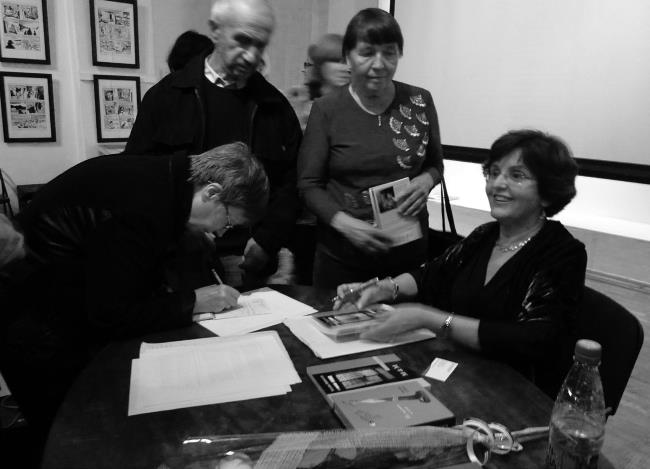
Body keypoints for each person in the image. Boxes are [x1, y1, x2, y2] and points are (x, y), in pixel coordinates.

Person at [0, 142, 269, 436]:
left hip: (51, 303)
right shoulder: (143, 209)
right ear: (212, 193)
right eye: (228, 221)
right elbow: (112, 314)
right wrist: (193, 301)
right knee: (71, 437)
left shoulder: (163, 178)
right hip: (36, 326)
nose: (220, 232)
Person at [335, 129, 586, 398]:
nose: (497, 184)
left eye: (517, 175)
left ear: (548, 193)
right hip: (459, 375)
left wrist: (428, 318)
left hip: (513, 394)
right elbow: (431, 275)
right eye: (493, 172)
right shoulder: (484, 235)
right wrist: (385, 288)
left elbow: (533, 339)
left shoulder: (563, 252)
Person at [125, 0, 302, 284]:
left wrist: (267, 239)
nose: (252, 55)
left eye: (260, 45)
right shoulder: (166, 97)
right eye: (242, 40)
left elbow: (292, 183)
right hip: (176, 260)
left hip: (247, 258)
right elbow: (138, 179)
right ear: (216, 30)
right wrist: (182, 231)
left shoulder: (275, 106)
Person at [297, 8, 444, 288]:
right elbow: (308, 185)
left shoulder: (419, 100)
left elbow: (435, 164)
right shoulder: (328, 109)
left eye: (389, 53)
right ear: (347, 57)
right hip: (343, 256)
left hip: (407, 256)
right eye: (367, 53)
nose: (379, 64)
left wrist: (426, 181)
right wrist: (345, 224)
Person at [285, 33, 350, 131]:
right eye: (336, 61)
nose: (344, 68)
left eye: (347, 62)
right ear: (321, 64)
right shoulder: (300, 99)